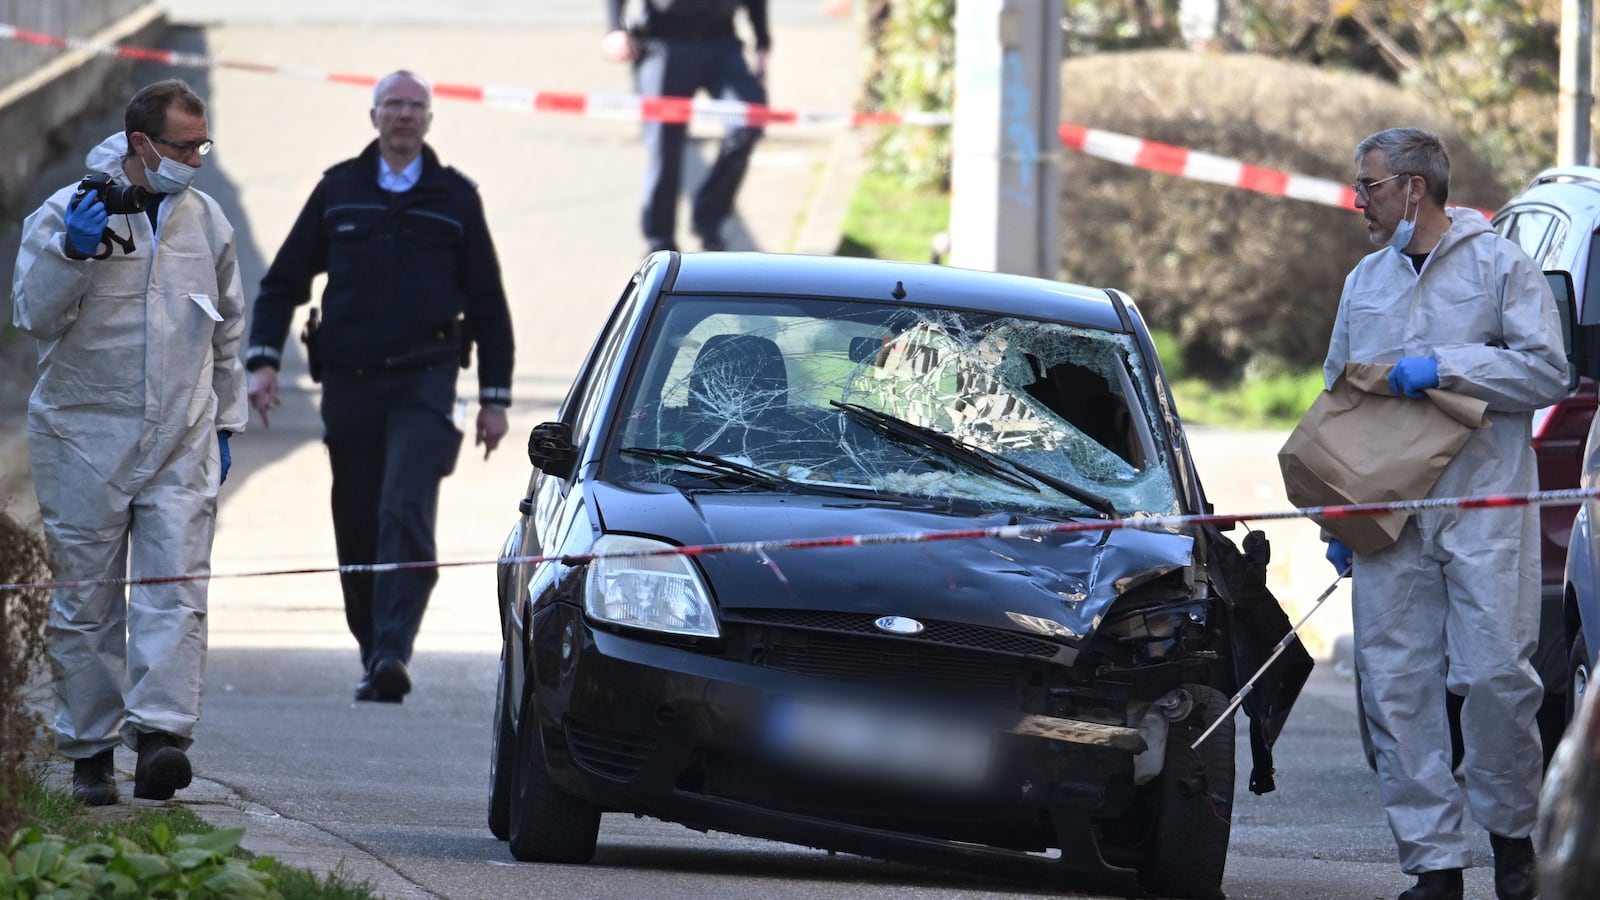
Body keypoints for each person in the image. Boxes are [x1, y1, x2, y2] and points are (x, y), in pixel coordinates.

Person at [1322, 127, 1568, 900]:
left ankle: (1512, 841)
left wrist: (1451, 368)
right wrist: (1340, 514)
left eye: (1371, 186)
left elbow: (1548, 371)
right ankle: (1433, 868)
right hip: (1391, 517)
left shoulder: (1500, 265)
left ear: (1414, 188)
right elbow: (1338, 394)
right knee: (1395, 687)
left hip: (1484, 507)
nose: (1359, 200)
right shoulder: (1365, 282)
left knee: (1498, 674)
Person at [245, 70, 515, 705]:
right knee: (359, 517)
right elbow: (282, 283)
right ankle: (372, 646)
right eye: (392, 104)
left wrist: (495, 399)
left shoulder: (455, 198)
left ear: (428, 119)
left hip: (427, 379)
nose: (403, 115)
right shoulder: (339, 189)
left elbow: (488, 304)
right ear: (373, 116)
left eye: (414, 106)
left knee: (406, 507)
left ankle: (395, 648)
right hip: (350, 383)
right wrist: (261, 363)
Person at [11, 79, 246, 806]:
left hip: (180, 436)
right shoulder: (67, 214)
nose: (196, 160)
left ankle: (161, 741)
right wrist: (70, 256)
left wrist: (226, 422)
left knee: (174, 588)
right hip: (84, 436)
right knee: (85, 601)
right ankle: (88, 751)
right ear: (142, 144)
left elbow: (229, 330)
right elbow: (32, 314)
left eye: (203, 146)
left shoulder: (205, 224)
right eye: (184, 146)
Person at [602, 0, 770, 252]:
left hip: (721, 41)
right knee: (663, 146)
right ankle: (659, 242)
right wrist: (614, 28)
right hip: (665, 42)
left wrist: (762, 42)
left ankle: (708, 217)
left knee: (749, 121)